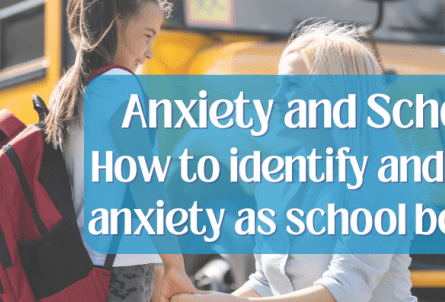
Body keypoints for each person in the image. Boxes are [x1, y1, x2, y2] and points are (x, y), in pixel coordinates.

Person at [173, 20, 416, 302]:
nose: (275, 99)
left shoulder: (379, 180)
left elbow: (346, 290)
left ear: (335, 95)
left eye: (292, 86)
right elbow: (267, 281)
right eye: (278, 86)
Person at [44, 0, 197, 302]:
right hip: (118, 266)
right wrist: (174, 266)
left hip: (83, 259)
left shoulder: (71, 89)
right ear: (117, 25)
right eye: (147, 36)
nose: (150, 52)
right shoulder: (119, 86)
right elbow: (144, 182)